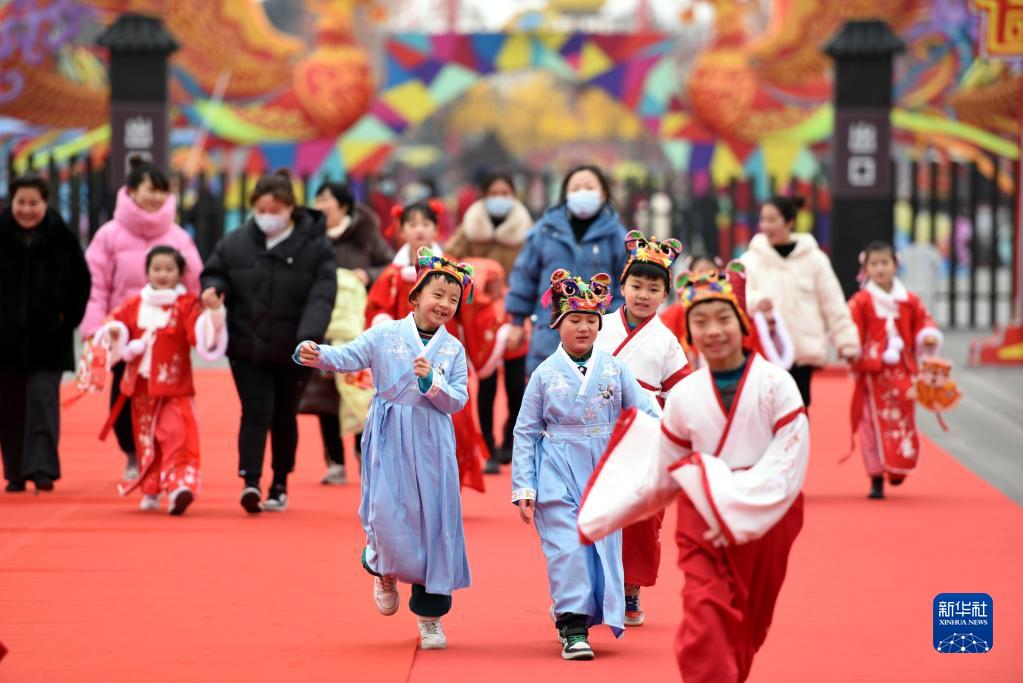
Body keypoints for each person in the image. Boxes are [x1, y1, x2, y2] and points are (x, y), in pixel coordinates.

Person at [579, 262, 809, 682]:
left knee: (748, 627)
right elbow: (662, 468)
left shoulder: (777, 385)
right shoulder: (687, 395)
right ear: (690, 333)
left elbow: (789, 461)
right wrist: (605, 510)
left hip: (766, 518)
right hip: (702, 518)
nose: (713, 330)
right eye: (701, 322)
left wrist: (736, 497)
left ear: (742, 323)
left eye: (723, 318)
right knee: (703, 624)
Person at [294, 248, 474, 651]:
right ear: (415, 296)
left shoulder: (453, 350)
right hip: (389, 434)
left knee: (434, 522)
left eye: (453, 299)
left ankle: (430, 617)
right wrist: (318, 355)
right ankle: (383, 567)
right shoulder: (385, 335)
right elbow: (349, 356)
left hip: (432, 441)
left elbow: (458, 400)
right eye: (437, 294)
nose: (444, 304)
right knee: (386, 511)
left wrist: (433, 385)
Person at [512, 269, 655, 660]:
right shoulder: (544, 374)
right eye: (574, 319)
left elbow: (644, 412)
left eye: (591, 320)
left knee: (601, 549)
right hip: (557, 467)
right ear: (558, 324)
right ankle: (573, 627)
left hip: (603, 469)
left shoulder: (615, 368)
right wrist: (525, 486)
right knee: (567, 547)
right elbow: (525, 431)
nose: (584, 328)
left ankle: (574, 608)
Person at [201, 169, 337, 514]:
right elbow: (216, 271)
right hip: (246, 345)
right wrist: (214, 290)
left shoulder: (315, 245)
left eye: (274, 210)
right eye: (261, 210)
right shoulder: (236, 242)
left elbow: (322, 295)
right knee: (254, 410)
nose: (267, 217)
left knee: (283, 414)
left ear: (290, 207)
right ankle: (250, 480)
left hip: (294, 348)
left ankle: (279, 482)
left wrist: (308, 338)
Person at [82, 157, 203, 480]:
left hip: (168, 335)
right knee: (123, 397)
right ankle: (133, 453)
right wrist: (95, 328)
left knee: (168, 400)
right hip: (125, 334)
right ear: (132, 191)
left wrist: (198, 326)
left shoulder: (178, 237)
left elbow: (195, 286)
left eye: (163, 191)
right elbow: (96, 285)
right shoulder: (108, 235)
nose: (157, 197)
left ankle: (164, 454)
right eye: (151, 189)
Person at [594, 231, 688, 627]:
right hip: (596, 431)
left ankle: (631, 589)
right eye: (636, 285)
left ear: (665, 293)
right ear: (622, 285)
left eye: (653, 288)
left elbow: (680, 392)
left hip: (645, 438)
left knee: (642, 519)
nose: (643, 295)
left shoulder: (666, 340)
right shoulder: (599, 325)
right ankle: (591, 588)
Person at [366, 201, 491, 492]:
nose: (419, 230)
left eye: (426, 224)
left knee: (454, 418)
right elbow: (376, 308)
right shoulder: (392, 275)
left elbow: (472, 308)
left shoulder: (451, 270)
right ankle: (406, 486)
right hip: (402, 360)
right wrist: (384, 326)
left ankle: (446, 484)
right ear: (401, 230)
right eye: (412, 224)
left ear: (437, 228)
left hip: (443, 354)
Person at [92, 247, 227, 514]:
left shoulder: (186, 305)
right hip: (141, 388)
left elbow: (198, 336)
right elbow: (114, 324)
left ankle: (179, 486)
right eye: (156, 269)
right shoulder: (134, 304)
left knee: (177, 435)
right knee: (146, 440)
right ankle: (151, 488)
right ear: (147, 272)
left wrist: (214, 313)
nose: (162, 274)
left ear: (180, 273)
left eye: (169, 269)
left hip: (174, 387)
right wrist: (119, 336)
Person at [0, 175, 90, 492]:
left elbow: (81, 281)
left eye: (33, 203)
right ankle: (15, 472)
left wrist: (68, 319)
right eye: (21, 203)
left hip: (48, 341)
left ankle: (42, 468)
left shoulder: (62, 237)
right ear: (11, 203)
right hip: (5, 342)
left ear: (45, 203)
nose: (27, 210)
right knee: (9, 406)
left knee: (42, 400)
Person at [302, 182, 394, 485]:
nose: (320, 204)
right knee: (324, 394)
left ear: (343, 205)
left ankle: (361, 451)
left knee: (358, 390)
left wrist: (367, 275)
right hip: (322, 323)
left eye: (325, 199)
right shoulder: (309, 237)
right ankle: (334, 461)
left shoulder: (365, 234)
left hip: (359, 325)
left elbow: (389, 267)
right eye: (317, 198)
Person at [505, 165, 629, 375]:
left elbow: (624, 286)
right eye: (576, 188)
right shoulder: (545, 230)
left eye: (589, 187)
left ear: (603, 194)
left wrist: (615, 322)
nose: (582, 193)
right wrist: (516, 322)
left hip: (599, 337)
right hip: (548, 335)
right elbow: (524, 276)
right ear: (566, 195)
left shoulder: (616, 235)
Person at [447, 172, 532, 470]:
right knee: (485, 381)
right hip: (480, 317)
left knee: (516, 383)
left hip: (516, 312)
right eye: (494, 193)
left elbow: (535, 269)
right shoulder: (470, 227)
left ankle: (510, 440)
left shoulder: (527, 230)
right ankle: (488, 448)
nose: (499, 198)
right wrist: (481, 275)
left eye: (505, 192)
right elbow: (449, 262)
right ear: (484, 196)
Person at [740, 196, 860, 406]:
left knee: (800, 408)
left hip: (803, 352)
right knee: (766, 409)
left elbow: (833, 304)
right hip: (766, 353)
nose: (765, 226)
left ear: (789, 222)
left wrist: (847, 342)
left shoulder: (814, 259)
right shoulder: (751, 260)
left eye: (772, 219)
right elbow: (737, 297)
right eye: (763, 219)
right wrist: (756, 301)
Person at [847, 242, 941, 500]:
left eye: (885, 263)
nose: (880, 268)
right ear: (866, 268)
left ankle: (898, 465)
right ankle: (876, 476)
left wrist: (927, 336)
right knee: (870, 426)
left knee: (902, 419)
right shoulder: (861, 301)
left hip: (902, 372)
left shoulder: (909, 300)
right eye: (874, 264)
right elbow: (849, 328)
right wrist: (851, 347)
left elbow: (924, 321)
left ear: (895, 265)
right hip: (872, 374)